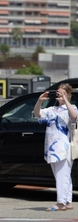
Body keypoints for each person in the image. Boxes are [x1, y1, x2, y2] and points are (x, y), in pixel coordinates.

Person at [34, 83, 78, 211]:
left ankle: (61, 203)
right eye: (58, 93)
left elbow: (74, 116)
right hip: (52, 147)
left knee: (61, 175)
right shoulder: (52, 109)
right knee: (63, 175)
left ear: (69, 95)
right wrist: (39, 101)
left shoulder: (72, 107)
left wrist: (65, 100)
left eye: (62, 93)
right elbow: (38, 114)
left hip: (64, 147)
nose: (58, 95)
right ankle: (67, 201)